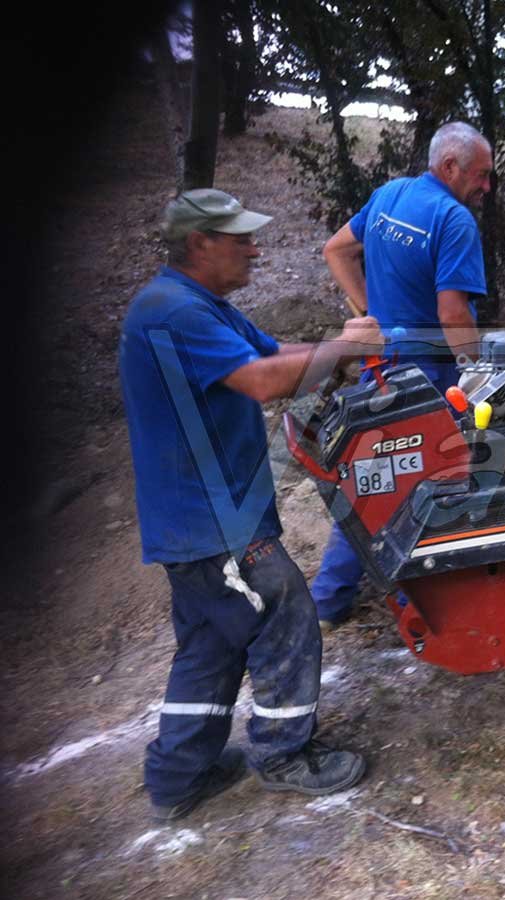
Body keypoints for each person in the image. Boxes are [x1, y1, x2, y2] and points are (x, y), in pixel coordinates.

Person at [119, 188, 383, 821]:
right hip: (212, 522)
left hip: (204, 519)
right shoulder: (172, 312)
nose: (254, 249)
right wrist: (344, 350)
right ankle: (285, 753)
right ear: (200, 244)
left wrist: (338, 354)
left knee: (211, 644)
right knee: (284, 612)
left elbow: (273, 357)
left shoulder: (201, 306)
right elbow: (264, 382)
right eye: (240, 239)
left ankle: (180, 776)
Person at [310, 121, 493, 630]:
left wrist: (373, 313)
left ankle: (334, 596)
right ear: (450, 167)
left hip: (383, 366)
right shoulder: (453, 220)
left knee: (376, 476)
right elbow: (454, 315)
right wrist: (479, 374)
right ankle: (387, 599)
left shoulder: (392, 195)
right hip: (428, 372)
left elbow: (337, 249)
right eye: (480, 175)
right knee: (426, 479)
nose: (485, 186)